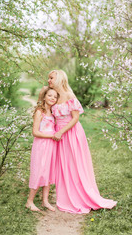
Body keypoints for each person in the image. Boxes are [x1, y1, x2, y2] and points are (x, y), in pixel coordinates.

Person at [43, 69, 117, 214]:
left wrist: (61, 132)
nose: (48, 81)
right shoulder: (54, 96)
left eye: (51, 78)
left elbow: (75, 118)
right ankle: (67, 194)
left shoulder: (69, 95)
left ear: (58, 79)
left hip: (71, 133)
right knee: (64, 165)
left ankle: (81, 195)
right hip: (59, 135)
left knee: (75, 164)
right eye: (48, 78)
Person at [26, 87, 59, 212]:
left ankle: (45, 201)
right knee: (39, 171)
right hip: (41, 146)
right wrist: (52, 135)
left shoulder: (54, 113)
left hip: (51, 147)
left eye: (55, 97)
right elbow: (35, 132)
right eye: (50, 95)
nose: (52, 98)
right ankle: (29, 201)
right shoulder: (40, 111)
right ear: (44, 97)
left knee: (49, 172)